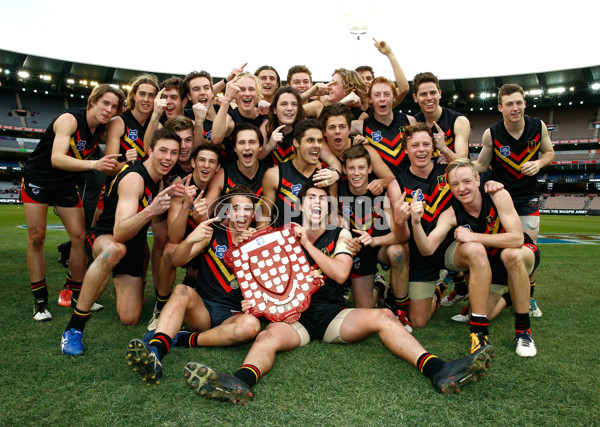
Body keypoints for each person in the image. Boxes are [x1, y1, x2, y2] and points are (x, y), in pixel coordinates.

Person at [181, 181, 494, 404]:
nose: (316, 204)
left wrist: (304, 244)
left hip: (332, 315)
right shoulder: (283, 234)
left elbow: (340, 272)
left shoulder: (340, 233)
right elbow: (266, 276)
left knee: (385, 316)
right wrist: (256, 298)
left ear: (327, 205)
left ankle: (438, 369)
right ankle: (240, 382)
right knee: (266, 338)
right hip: (295, 319)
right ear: (301, 206)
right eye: (310, 200)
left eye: (322, 200)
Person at [60, 128, 181, 356]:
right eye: (163, 151)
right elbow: (120, 231)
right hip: (106, 236)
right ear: (150, 151)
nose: (168, 157)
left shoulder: (160, 180)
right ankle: (74, 327)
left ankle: (119, 283)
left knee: (130, 318)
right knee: (114, 250)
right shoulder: (135, 178)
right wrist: (150, 211)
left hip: (133, 246)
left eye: (173, 153)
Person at [125, 185, 262, 384]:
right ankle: (156, 351)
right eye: (236, 208)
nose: (242, 214)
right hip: (203, 311)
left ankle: (181, 339)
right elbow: (178, 261)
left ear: (254, 212)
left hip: (234, 315)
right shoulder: (212, 232)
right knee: (182, 290)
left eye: (247, 209)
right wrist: (191, 239)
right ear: (227, 211)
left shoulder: (261, 240)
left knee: (251, 327)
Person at [409, 158, 539, 358]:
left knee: (511, 254)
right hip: (492, 265)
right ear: (450, 187)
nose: (462, 188)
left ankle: (523, 331)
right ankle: (510, 297)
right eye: (455, 184)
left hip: (520, 252)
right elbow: (427, 249)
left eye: (467, 181)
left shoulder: (497, 195)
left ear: (478, 180)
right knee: (477, 315)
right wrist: (416, 223)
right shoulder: (451, 213)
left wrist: (473, 236)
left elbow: (516, 238)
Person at [22, 84, 124, 321]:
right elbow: (56, 158)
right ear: (93, 101)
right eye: (105, 103)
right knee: (36, 238)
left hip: (65, 185)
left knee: (80, 239)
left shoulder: (102, 128)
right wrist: (94, 165)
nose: (109, 110)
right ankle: (40, 302)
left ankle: (75, 294)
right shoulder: (70, 119)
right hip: (39, 180)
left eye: (114, 107)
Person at [473, 83, 554, 317]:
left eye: (519, 102)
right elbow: (481, 164)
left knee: (529, 248)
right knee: (497, 247)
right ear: (500, 107)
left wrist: (538, 163)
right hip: (501, 199)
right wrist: (461, 165)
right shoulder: (492, 133)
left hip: (528, 197)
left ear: (525, 103)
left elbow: (549, 153)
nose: (515, 108)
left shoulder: (537, 126)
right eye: (509, 104)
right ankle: (492, 291)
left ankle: (528, 297)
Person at [387, 123, 458, 329]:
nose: (421, 149)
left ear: (433, 147)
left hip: (449, 247)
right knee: (418, 322)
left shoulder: (448, 172)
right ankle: (440, 288)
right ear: (406, 149)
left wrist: (445, 149)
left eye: (426, 144)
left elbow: (471, 171)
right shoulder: (397, 184)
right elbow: (401, 237)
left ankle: (464, 285)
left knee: (474, 249)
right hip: (420, 254)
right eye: (415, 145)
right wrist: (400, 221)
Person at [148, 143, 221, 330]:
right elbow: (174, 236)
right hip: (184, 244)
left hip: (209, 244)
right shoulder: (180, 187)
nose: (206, 165)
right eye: (202, 160)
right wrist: (186, 205)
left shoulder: (218, 186)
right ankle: (161, 305)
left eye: (211, 162)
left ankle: (196, 287)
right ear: (193, 162)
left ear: (217, 167)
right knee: (169, 251)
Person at [337, 146, 404, 316]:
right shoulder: (338, 190)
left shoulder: (382, 192)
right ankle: (378, 287)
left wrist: (375, 241)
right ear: (344, 169)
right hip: (357, 251)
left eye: (361, 168)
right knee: (365, 310)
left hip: (380, 246)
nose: (356, 173)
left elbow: (400, 236)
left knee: (399, 251)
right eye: (351, 168)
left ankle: (400, 305)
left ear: (370, 169)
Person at [258, 119, 341, 229]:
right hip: (287, 243)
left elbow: (331, 220)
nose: (317, 145)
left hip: (316, 243)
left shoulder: (327, 177)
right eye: (310, 140)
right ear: (296, 142)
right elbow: (265, 217)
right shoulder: (274, 175)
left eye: (320, 141)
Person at [350, 76, 416, 175]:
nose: (382, 99)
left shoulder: (409, 121)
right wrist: (342, 102)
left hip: (409, 186)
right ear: (370, 99)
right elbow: (328, 128)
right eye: (377, 95)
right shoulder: (360, 126)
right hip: (380, 187)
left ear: (394, 97)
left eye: (387, 94)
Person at [204, 123, 269, 218]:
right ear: (234, 148)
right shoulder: (222, 176)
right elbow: (202, 217)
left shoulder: (271, 173)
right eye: (241, 142)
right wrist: (198, 211)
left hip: (264, 231)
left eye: (252, 142)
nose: (247, 147)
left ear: (260, 146)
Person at [211, 72, 268, 164]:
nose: (247, 94)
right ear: (235, 94)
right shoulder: (231, 117)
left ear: (257, 94)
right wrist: (226, 100)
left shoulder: (265, 116)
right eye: (242, 89)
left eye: (251, 89)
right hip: (232, 174)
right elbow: (215, 139)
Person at [413, 72, 470, 159]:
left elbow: (463, 160)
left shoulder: (459, 121)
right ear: (415, 98)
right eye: (423, 94)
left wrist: (445, 150)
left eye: (433, 93)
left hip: (454, 172)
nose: (429, 98)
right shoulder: (413, 122)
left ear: (439, 93)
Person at [259, 87, 306, 165]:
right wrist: (269, 146)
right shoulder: (267, 126)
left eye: (294, 104)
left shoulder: (306, 126)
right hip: (273, 175)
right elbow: (256, 158)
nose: (289, 108)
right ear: (274, 109)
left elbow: (327, 157)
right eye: (284, 104)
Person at [183, 70, 219, 148]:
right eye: (196, 89)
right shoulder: (185, 118)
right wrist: (198, 122)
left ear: (212, 92)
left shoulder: (226, 112)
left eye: (206, 88)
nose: (202, 92)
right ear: (189, 96)